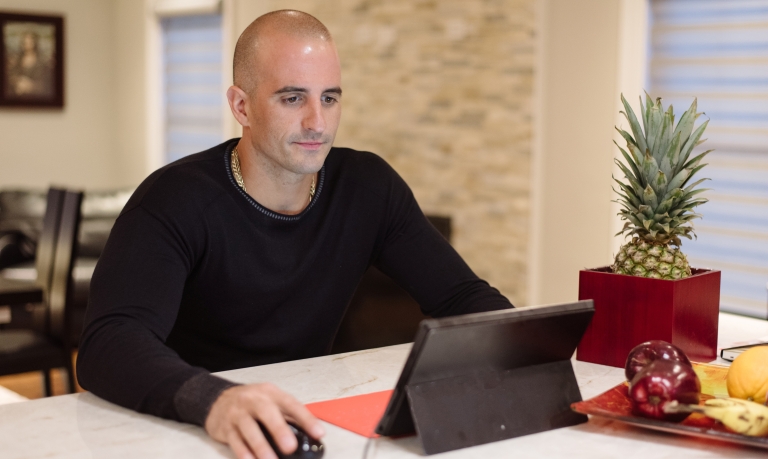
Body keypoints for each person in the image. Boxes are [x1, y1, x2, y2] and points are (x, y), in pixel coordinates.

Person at [77, 10, 513, 459]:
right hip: (185, 428)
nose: (317, 123)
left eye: (329, 98)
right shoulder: (175, 199)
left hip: (305, 418)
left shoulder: (367, 187)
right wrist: (215, 399)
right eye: (292, 98)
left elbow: (463, 299)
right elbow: (109, 342)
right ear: (241, 106)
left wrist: (531, 354)